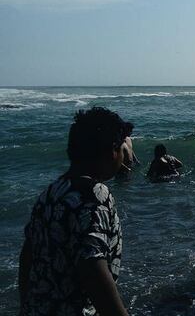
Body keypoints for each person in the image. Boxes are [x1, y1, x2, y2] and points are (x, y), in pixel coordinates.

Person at [18, 107, 129, 316]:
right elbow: (92, 268)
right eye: (122, 148)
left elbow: (27, 255)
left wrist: (25, 306)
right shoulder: (95, 195)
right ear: (112, 150)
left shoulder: (50, 193)